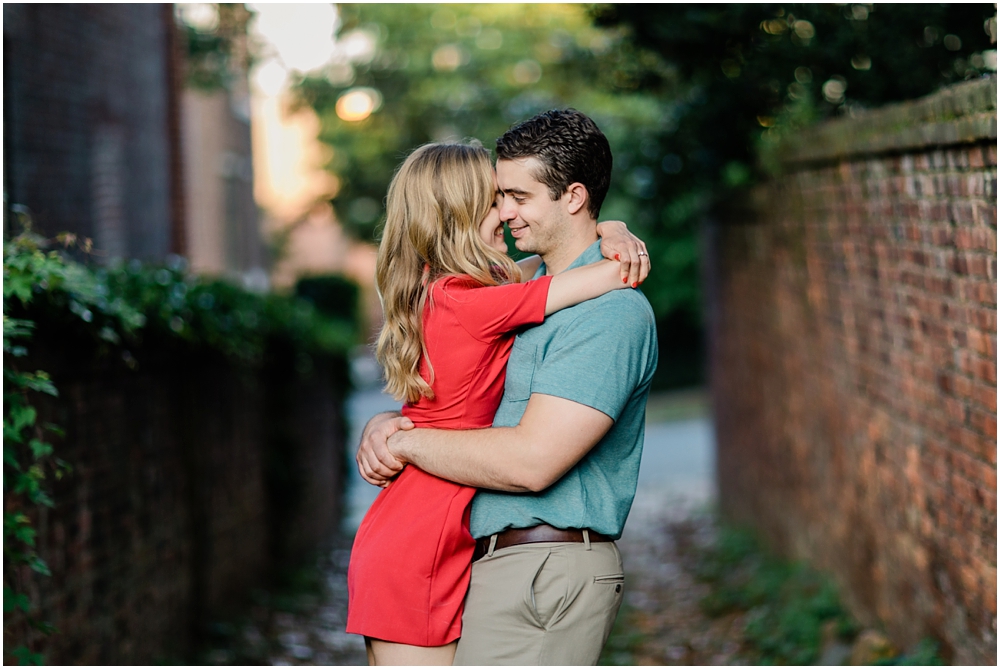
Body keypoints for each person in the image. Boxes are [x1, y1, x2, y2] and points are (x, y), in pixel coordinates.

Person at [357, 109, 658, 666]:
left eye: (516, 196)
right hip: (484, 560)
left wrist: (403, 442)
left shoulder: (607, 316)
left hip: (544, 563)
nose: (502, 212)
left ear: (571, 196)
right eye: (498, 197)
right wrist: (391, 423)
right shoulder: (512, 291)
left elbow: (532, 462)